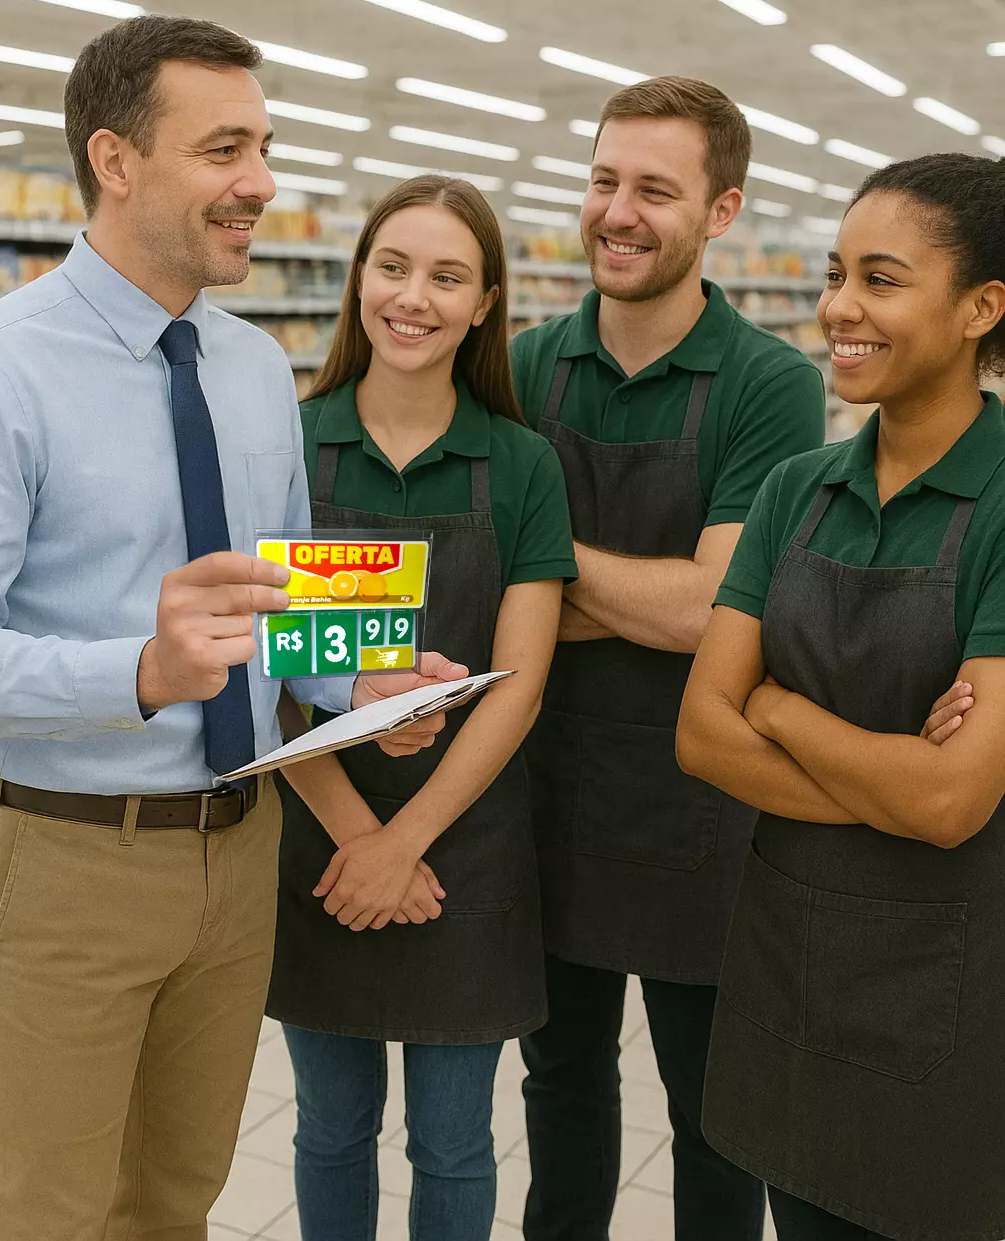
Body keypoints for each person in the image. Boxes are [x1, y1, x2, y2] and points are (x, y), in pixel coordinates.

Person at [0, 18, 454, 1241]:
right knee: (49, 1208)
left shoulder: (254, 368)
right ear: (116, 160)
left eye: (267, 146)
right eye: (226, 148)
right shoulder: (3, 369)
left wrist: (369, 689)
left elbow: (288, 614)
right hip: (65, 860)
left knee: (178, 1196)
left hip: (241, 851)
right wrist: (139, 667)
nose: (263, 182)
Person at [509, 76, 827, 1240]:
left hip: (701, 814)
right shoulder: (524, 363)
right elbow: (662, 598)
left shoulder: (770, 383)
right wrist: (646, 593)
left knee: (712, 1120)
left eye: (655, 188)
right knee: (561, 1094)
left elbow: (706, 611)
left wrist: (539, 570)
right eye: (603, 180)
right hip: (547, 797)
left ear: (722, 210)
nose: (619, 211)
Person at [677, 152, 1005, 1241]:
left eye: (880, 278)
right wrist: (893, 776)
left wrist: (778, 707)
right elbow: (698, 733)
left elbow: (953, 803)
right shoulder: (793, 489)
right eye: (832, 274)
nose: (838, 309)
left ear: (980, 307)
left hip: (951, 993)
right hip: (789, 973)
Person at [265, 174, 577, 1241]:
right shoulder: (291, 447)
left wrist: (407, 837)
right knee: (328, 1126)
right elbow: (275, 675)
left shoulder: (521, 463)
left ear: (487, 301)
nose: (414, 297)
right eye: (392, 266)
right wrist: (360, 834)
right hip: (322, 837)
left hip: (465, 844)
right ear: (358, 278)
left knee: (452, 1142)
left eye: (448, 275)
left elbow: (520, 680)